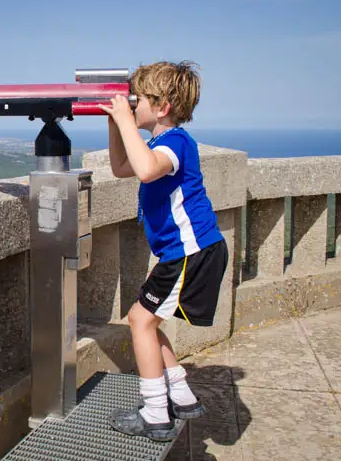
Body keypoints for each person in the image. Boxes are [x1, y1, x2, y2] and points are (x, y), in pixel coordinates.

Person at [98, 60, 228, 442]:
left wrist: (124, 121)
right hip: (185, 253)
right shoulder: (156, 141)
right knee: (147, 320)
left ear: (162, 107)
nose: (131, 104)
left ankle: (156, 414)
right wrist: (114, 123)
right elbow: (122, 166)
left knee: (140, 321)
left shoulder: (176, 143)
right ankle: (182, 396)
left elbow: (146, 170)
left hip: (191, 253)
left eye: (136, 99)